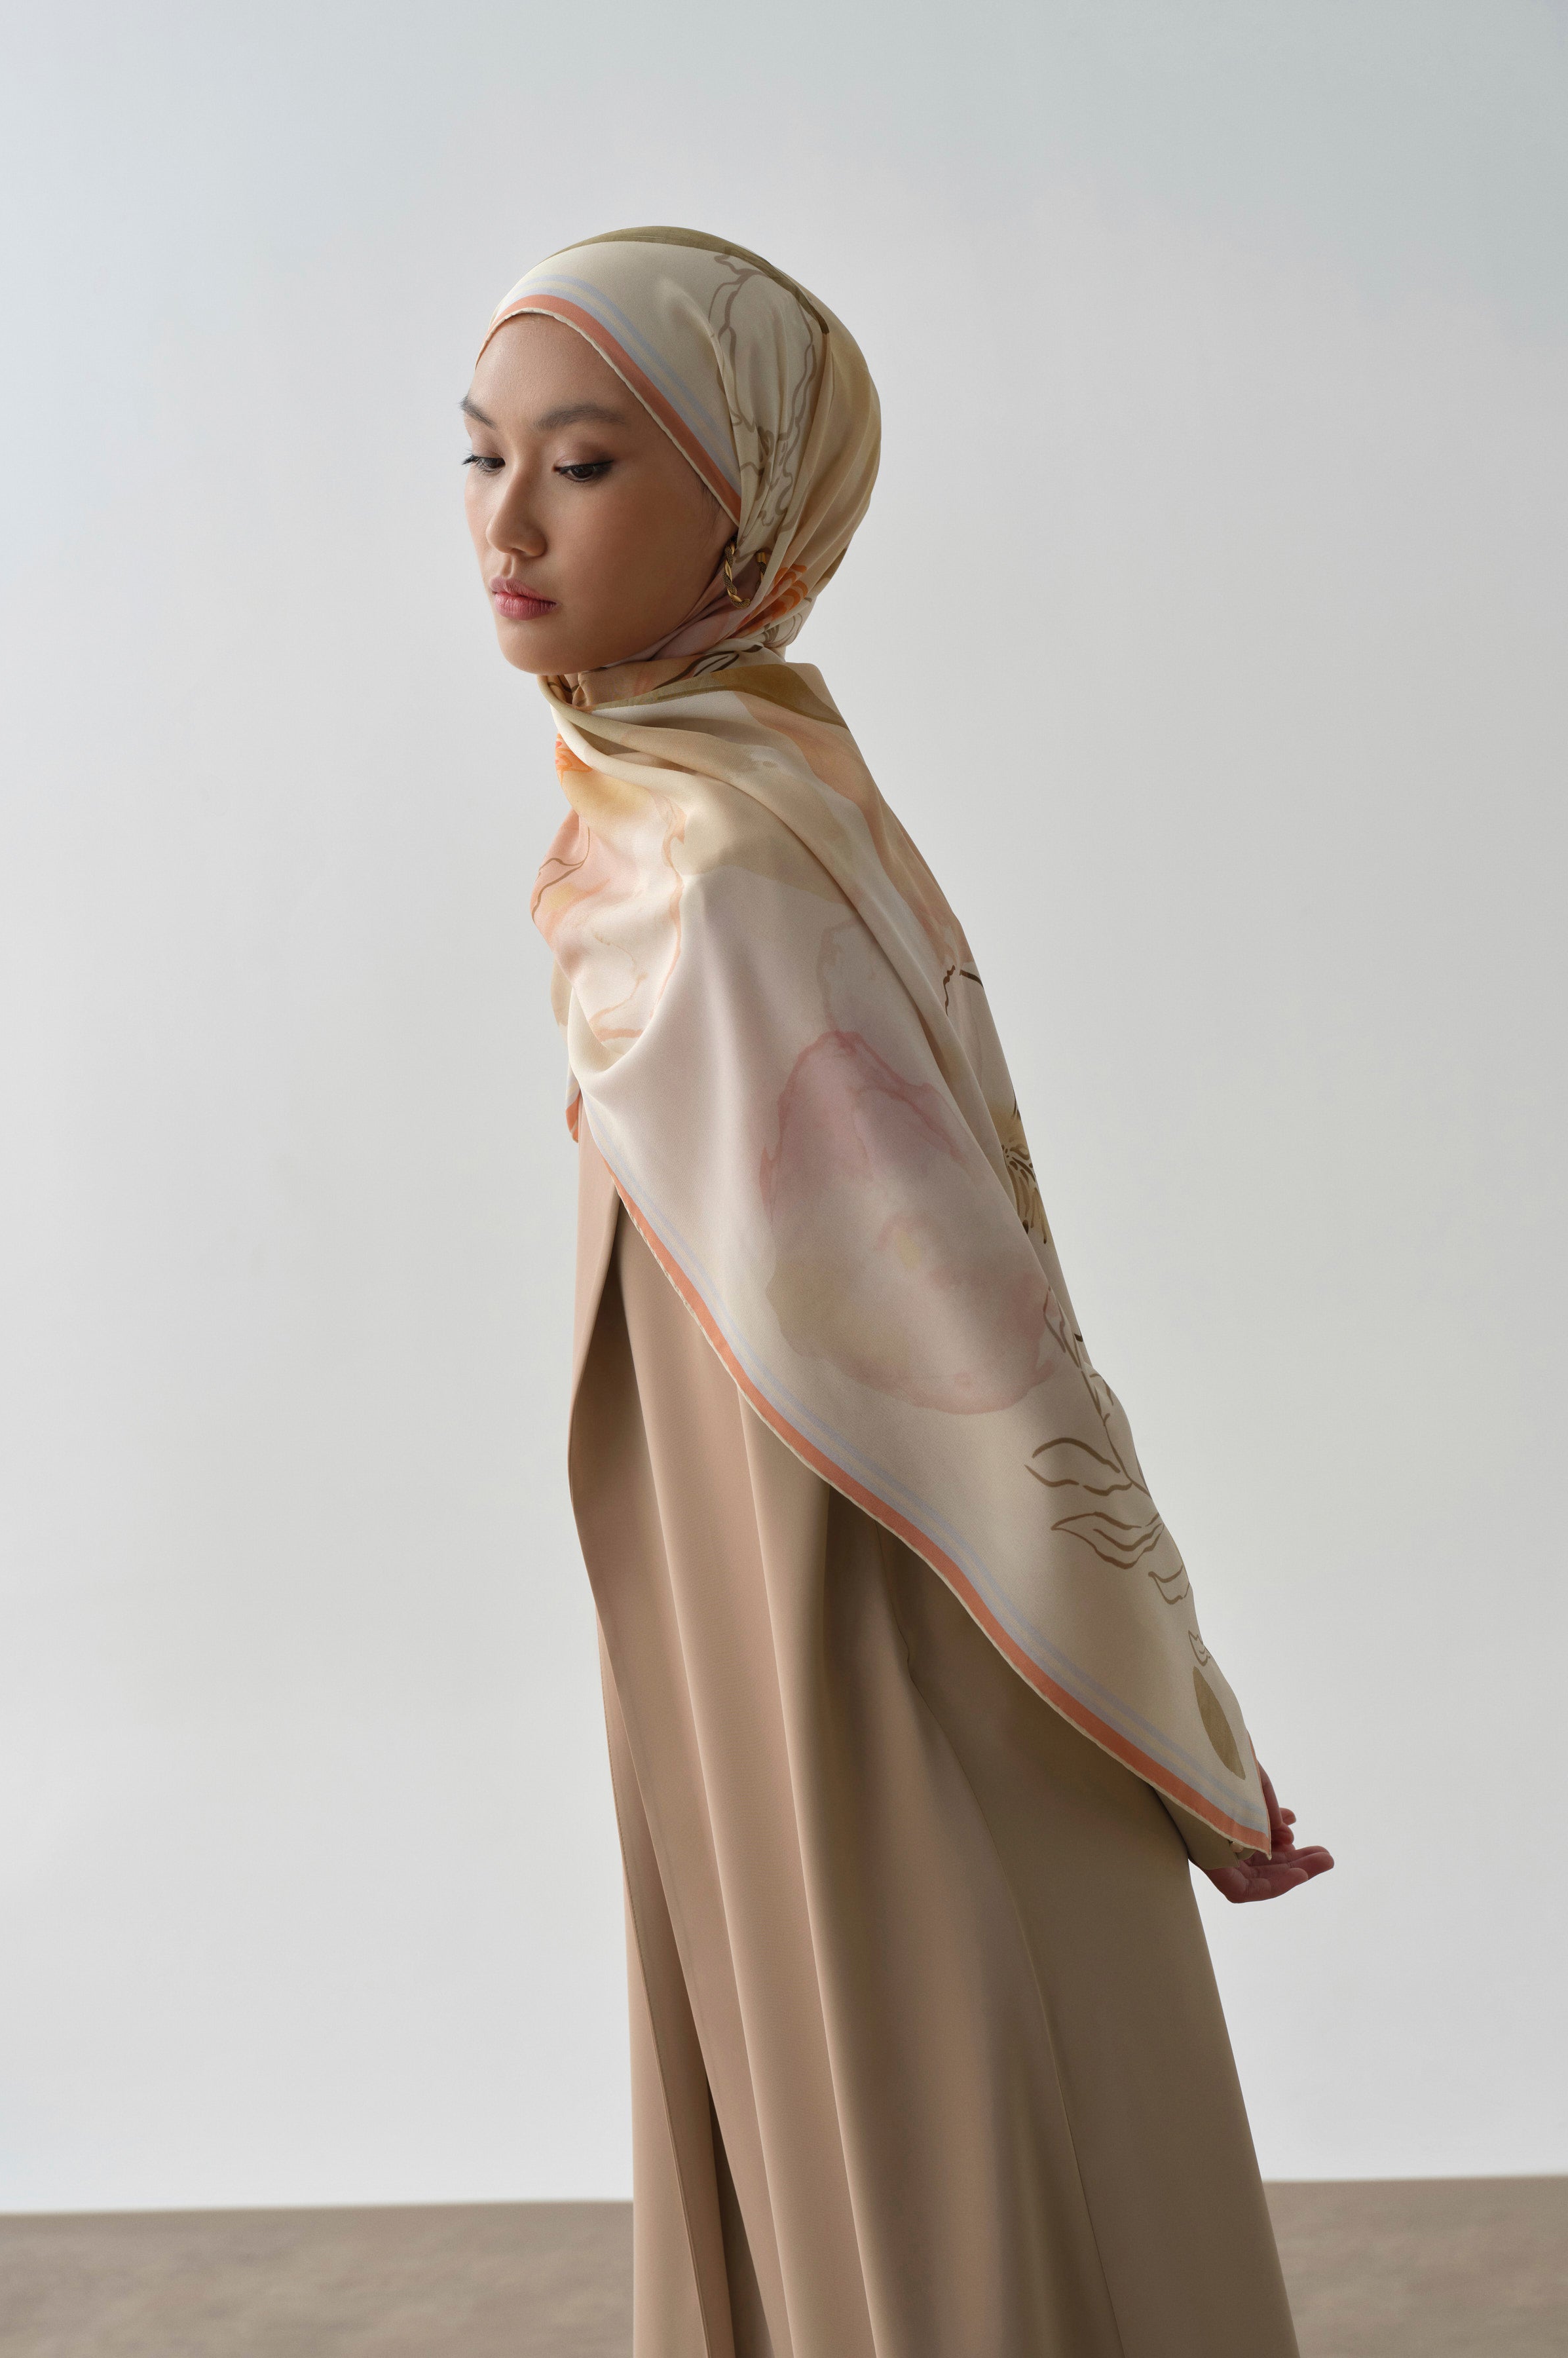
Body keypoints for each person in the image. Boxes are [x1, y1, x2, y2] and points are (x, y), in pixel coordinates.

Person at [462, 228, 1332, 2358]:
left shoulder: (732, 858)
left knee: (916, 2098)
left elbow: (962, 1326)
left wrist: (1164, 1701)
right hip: (743, 1546)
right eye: (481, 455)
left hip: (862, 1574)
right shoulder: (716, 795)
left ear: (745, 508)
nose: (508, 524)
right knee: (852, 2091)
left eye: (585, 462)